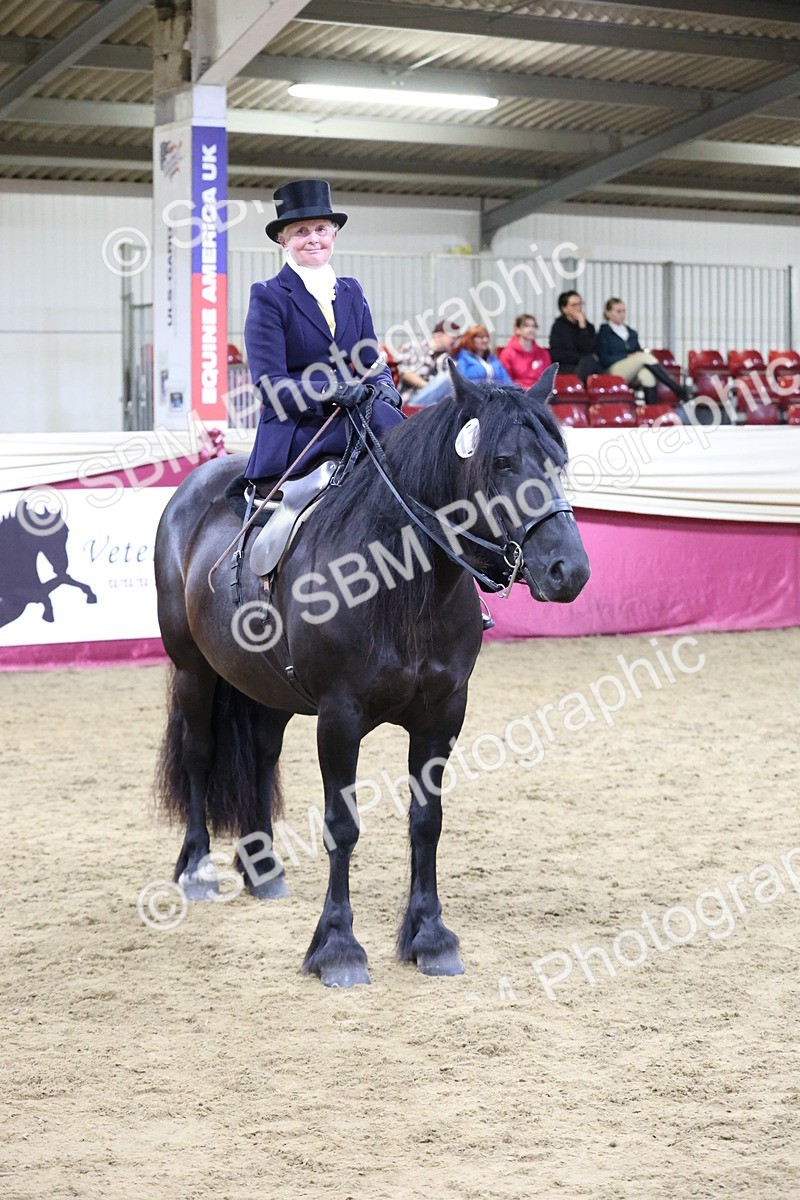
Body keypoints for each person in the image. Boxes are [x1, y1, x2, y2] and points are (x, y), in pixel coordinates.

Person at [243, 179, 403, 482]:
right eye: (301, 232)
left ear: (334, 234)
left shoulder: (351, 291)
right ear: (283, 240)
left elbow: (372, 362)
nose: (313, 239)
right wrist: (330, 390)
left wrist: (385, 387)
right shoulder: (268, 295)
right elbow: (269, 385)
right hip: (300, 425)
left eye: (321, 230)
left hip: (355, 415)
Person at [596, 298, 687, 404]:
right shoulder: (603, 333)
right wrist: (627, 356)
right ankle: (676, 388)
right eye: (618, 311)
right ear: (608, 313)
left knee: (647, 375)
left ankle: (650, 413)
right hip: (613, 369)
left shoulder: (631, 332)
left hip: (632, 369)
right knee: (642, 356)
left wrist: (633, 356)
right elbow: (603, 359)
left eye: (623, 311)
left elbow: (637, 351)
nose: (622, 314)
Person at [396, 320, 460, 406]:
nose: (455, 342)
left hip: (434, 403)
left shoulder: (447, 357)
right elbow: (406, 374)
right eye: (453, 337)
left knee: (451, 379)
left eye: (457, 338)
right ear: (439, 335)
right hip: (410, 400)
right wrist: (430, 387)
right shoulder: (414, 347)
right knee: (446, 378)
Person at [548, 291, 600, 383]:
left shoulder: (588, 327)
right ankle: (575, 384)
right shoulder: (558, 326)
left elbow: (589, 349)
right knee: (588, 362)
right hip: (566, 366)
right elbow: (557, 354)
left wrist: (582, 327)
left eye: (580, 304)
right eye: (574, 305)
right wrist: (580, 357)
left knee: (590, 362)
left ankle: (576, 384)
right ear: (564, 308)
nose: (578, 308)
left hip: (586, 365)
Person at [498, 314, 552, 389]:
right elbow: (505, 380)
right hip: (518, 394)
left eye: (533, 326)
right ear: (517, 330)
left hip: (539, 394)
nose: (531, 329)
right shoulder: (507, 354)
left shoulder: (543, 353)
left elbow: (548, 378)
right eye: (526, 326)